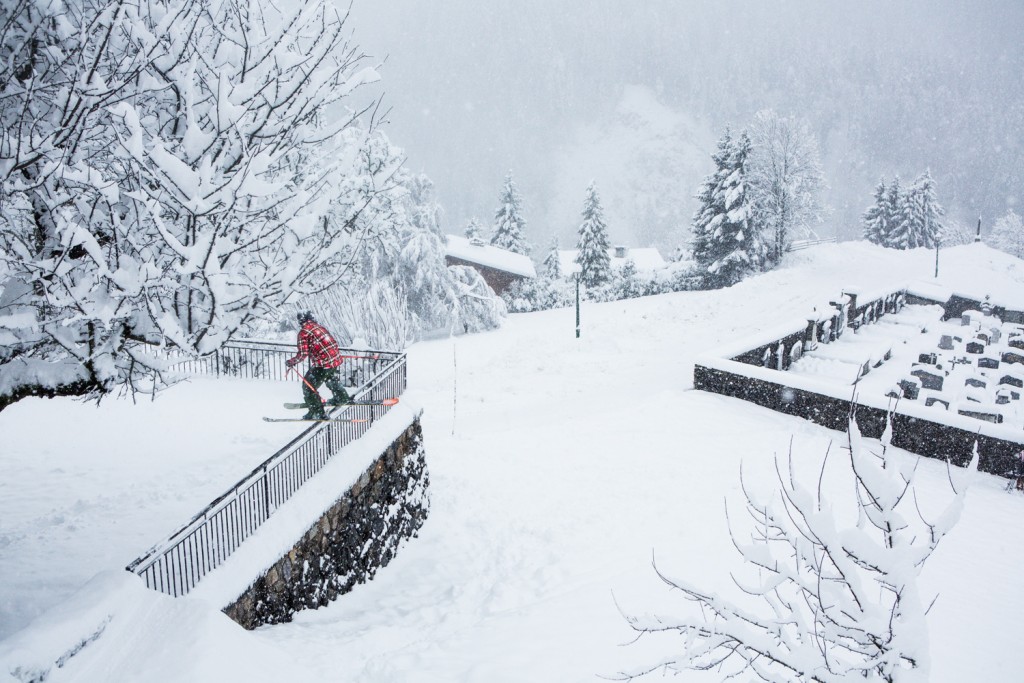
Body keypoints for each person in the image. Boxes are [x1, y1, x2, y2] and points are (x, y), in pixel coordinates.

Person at [285, 311, 353, 419]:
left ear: (301, 321)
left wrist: (292, 361)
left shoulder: (304, 333)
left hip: (323, 364)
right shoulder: (319, 328)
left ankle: (316, 411)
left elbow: (303, 354)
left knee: (308, 386)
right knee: (330, 378)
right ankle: (341, 397)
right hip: (334, 360)